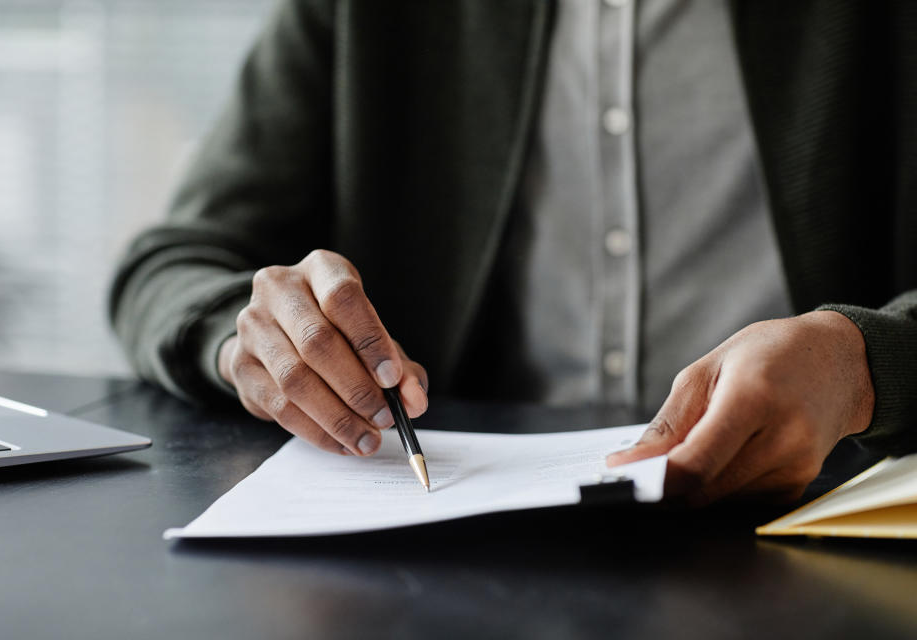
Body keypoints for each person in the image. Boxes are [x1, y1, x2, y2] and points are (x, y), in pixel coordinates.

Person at [110, 0, 917, 504]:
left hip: (826, 524)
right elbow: (171, 263)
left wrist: (863, 364)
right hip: (458, 556)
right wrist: (252, 337)